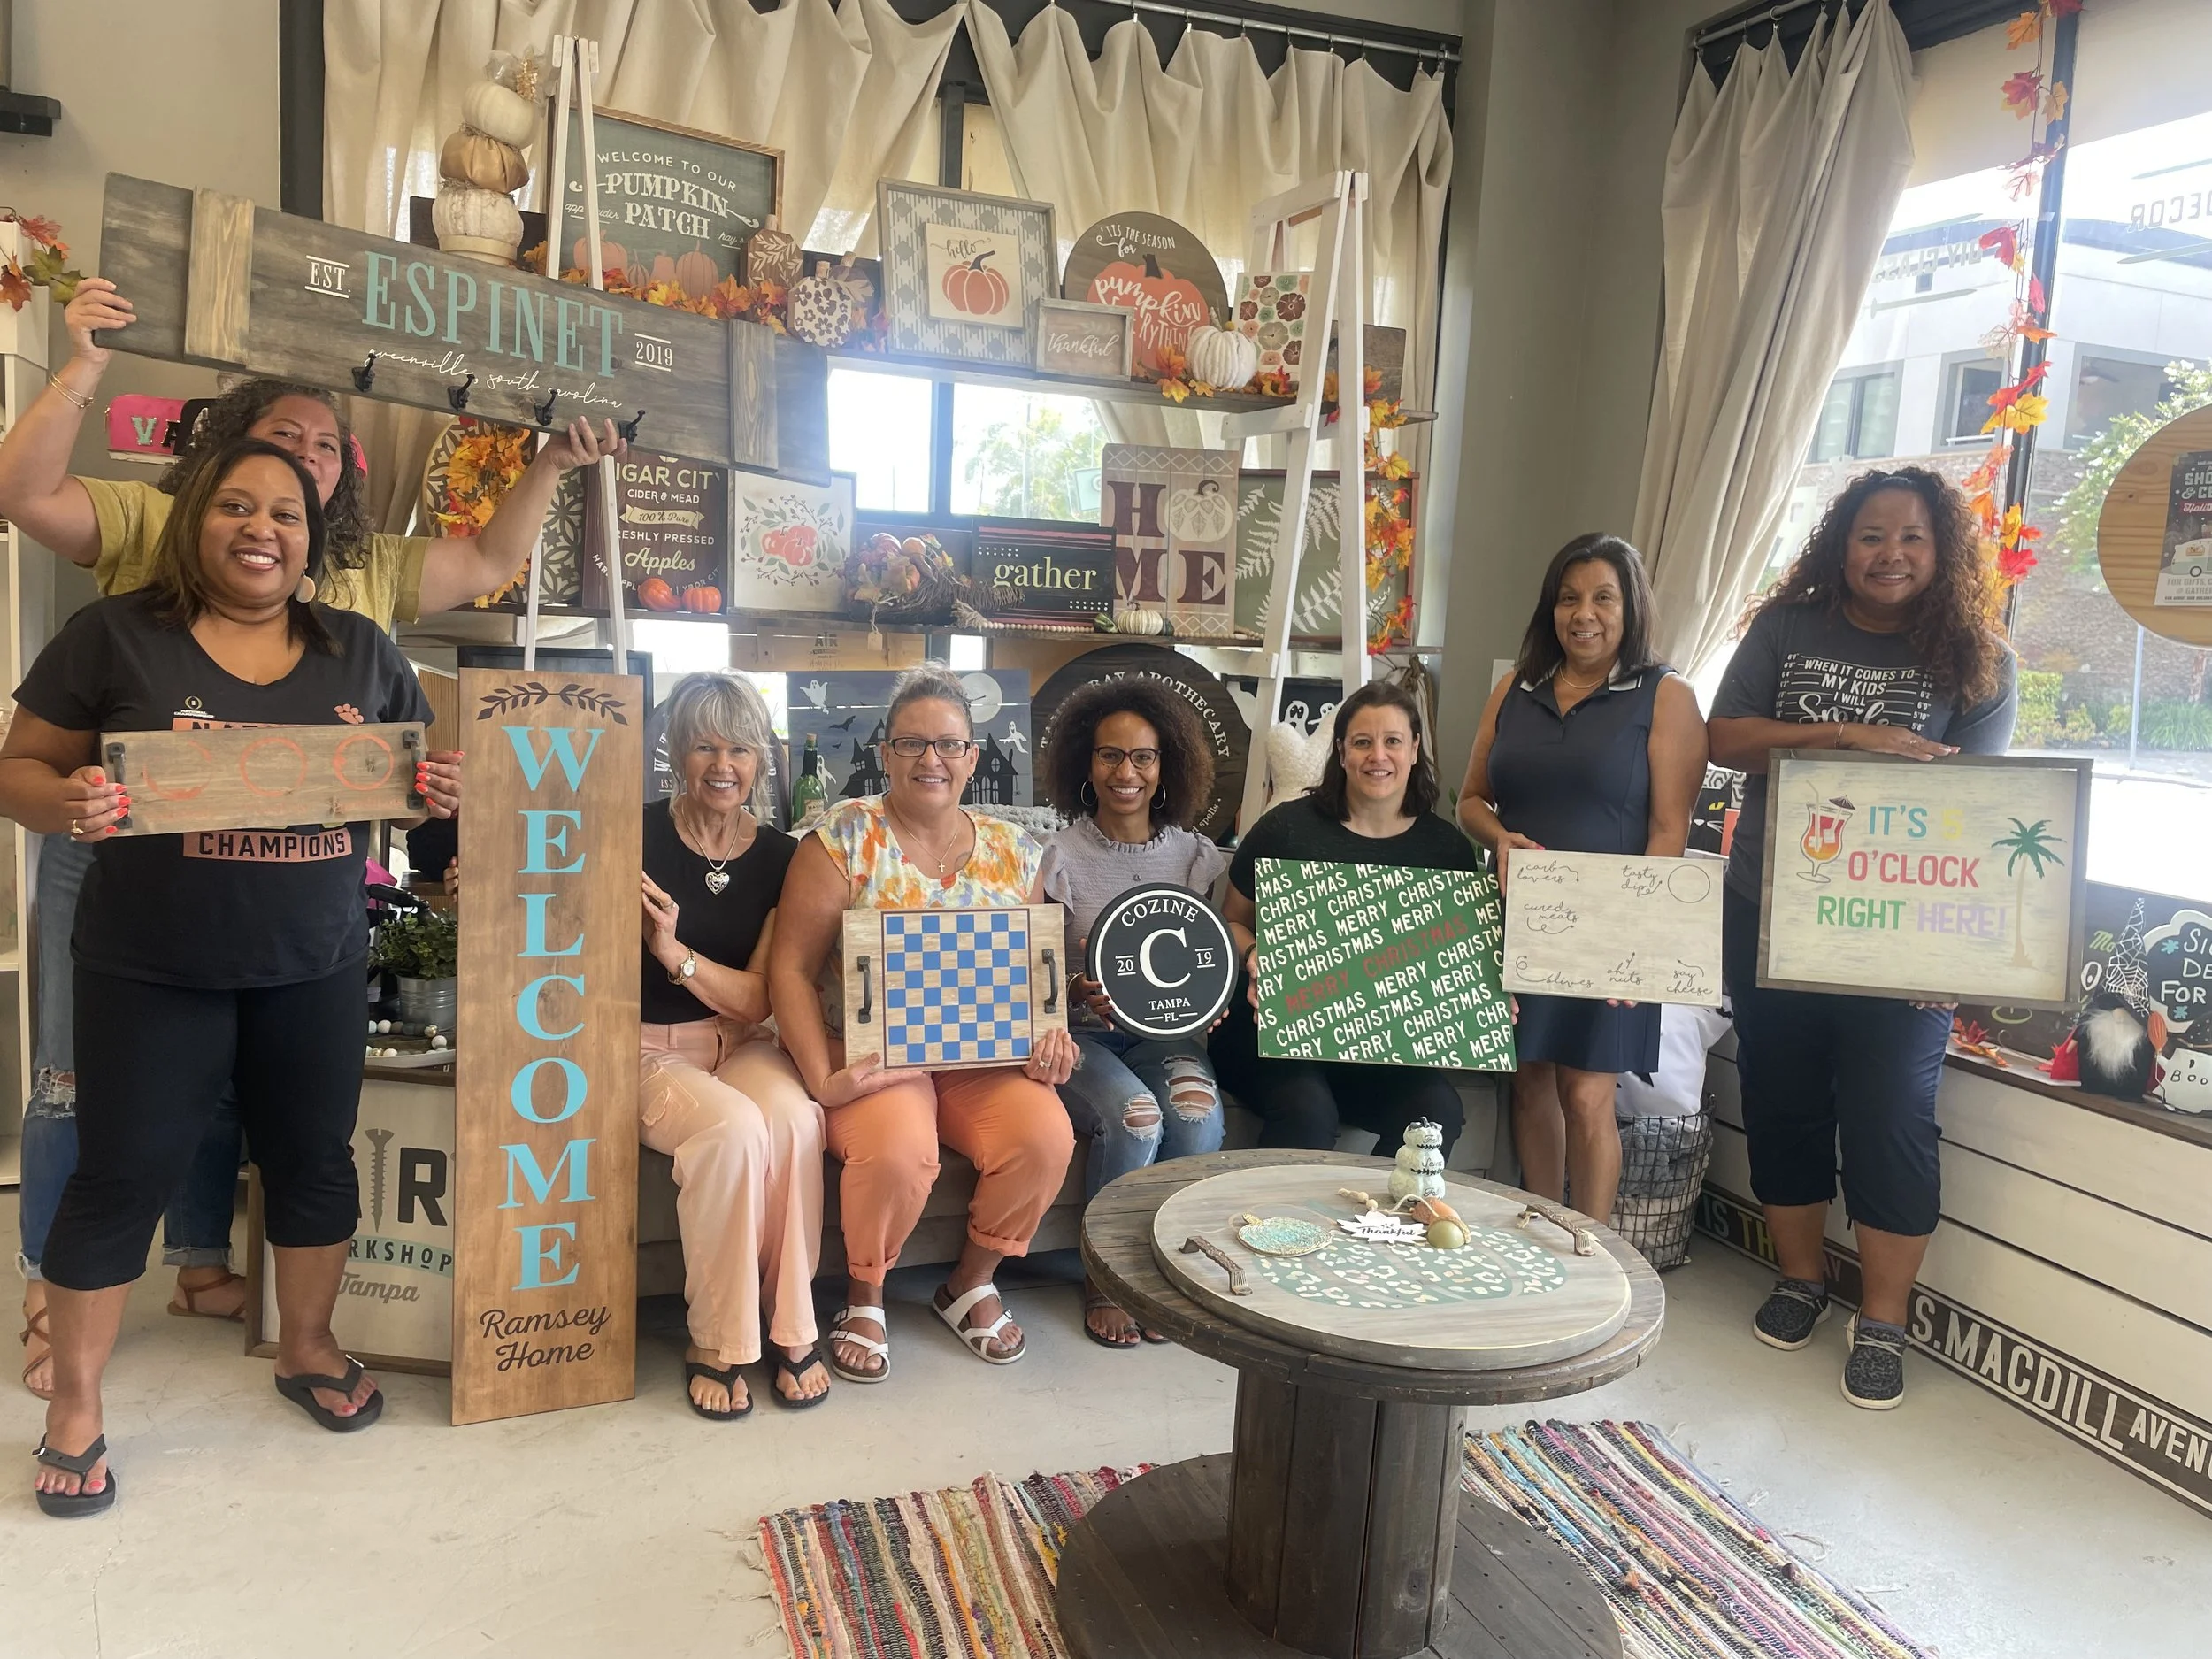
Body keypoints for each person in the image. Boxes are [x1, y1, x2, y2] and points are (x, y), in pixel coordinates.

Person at [1, 277, 622, 1397]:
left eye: (317, 461)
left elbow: (476, 594)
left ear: (329, 497)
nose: (276, 505)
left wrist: (425, 789)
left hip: (303, 933)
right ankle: (60, 1326)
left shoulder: (361, 600)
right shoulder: (134, 573)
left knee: (296, 1144)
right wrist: (84, 359)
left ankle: (230, 1287)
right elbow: (22, 505)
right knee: (90, 1111)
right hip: (135, 881)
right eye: (263, 465)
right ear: (206, 486)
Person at [0, 436, 460, 1517]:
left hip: (314, 965)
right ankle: (76, 1407)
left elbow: (406, 784)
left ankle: (308, 1346)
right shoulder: (114, 635)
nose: (263, 530)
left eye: (287, 515)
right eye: (237, 507)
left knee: (314, 1163)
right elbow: (18, 768)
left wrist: (434, 791)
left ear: (313, 539)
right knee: (121, 1177)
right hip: (149, 969)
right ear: (194, 520)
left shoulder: (361, 651)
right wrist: (63, 802)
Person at [1709, 465, 2016, 1410]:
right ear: (1841, 545)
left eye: (1912, 536)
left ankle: (1882, 1322)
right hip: (1771, 914)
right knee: (1783, 1101)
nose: (1890, 554)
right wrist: (1846, 736)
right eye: (1871, 535)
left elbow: (1982, 816)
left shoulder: (1979, 659)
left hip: (1902, 937)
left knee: (1892, 1118)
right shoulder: (1785, 628)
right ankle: (1800, 1279)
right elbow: (1724, 737)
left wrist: (1952, 956)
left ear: (1942, 549)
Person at [769, 664, 1076, 1383]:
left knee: (1045, 1135)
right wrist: (824, 1077)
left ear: (972, 757)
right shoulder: (839, 839)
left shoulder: (1015, 850)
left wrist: (1049, 1038)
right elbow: (789, 970)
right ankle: (865, 1293)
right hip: (871, 1052)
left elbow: (1036, 975)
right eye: (911, 743)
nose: (930, 759)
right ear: (885, 753)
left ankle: (969, 1280)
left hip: (980, 1056)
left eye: (948, 744)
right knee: (899, 1148)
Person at [1456, 534, 1706, 1228]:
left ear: (1631, 608)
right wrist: (1499, 837)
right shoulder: (1514, 688)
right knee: (1531, 1080)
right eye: (1569, 598)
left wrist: (1635, 941)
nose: (1583, 614)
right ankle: (1542, 1226)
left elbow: (1669, 831)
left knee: (1589, 1093)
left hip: (1612, 926)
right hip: (1521, 915)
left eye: (1603, 598)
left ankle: (1591, 1247)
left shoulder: (1667, 696)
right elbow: (1471, 800)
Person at [636, 672, 828, 1419]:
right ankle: (717, 1338)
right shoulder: (634, 834)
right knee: (734, 1128)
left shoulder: (782, 855)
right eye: (705, 747)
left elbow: (758, 997)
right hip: (644, 1048)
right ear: (677, 753)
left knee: (796, 1119)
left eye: (740, 749)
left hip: (741, 1040)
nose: (723, 765)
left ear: (761, 760)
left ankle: (791, 1325)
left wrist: (674, 952)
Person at [1037, 678, 1228, 1348]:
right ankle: (1109, 1275)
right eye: (1110, 755)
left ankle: (1166, 1270)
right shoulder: (1057, 857)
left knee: (1196, 1114)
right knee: (1136, 1117)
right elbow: (1032, 969)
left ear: (1166, 764)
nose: (1127, 772)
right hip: (1084, 1039)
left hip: (1165, 1039)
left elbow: (1206, 954)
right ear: (1086, 764)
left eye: (1143, 757)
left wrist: (1214, 997)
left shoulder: (1195, 857)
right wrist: (1075, 991)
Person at [1211, 680, 1476, 1154]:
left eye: (1392, 741)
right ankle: (1280, 1205)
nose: (1378, 756)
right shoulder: (1286, 829)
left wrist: (1480, 996)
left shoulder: (1446, 848)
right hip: (1270, 1035)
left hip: (1380, 1047)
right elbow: (1230, 922)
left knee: (1437, 1113)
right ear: (1341, 751)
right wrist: (1254, 954)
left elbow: (1455, 955)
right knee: (1308, 1110)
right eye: (1362, 742)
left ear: (1415, 748)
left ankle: (1378, 1203)